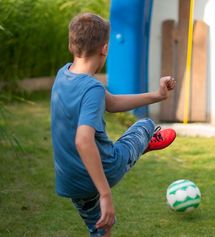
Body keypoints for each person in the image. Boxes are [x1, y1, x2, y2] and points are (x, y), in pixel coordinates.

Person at [51, 13, 177, 237]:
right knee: (146, 124)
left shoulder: (63, 75)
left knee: (101, 229)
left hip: (72, 182)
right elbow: (83, 140)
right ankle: (144, 142)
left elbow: (112, 103)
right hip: (108, 168)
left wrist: (157, 95)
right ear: (105, 49)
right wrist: (106, 194)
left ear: (71, 44)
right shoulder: (92, 88)